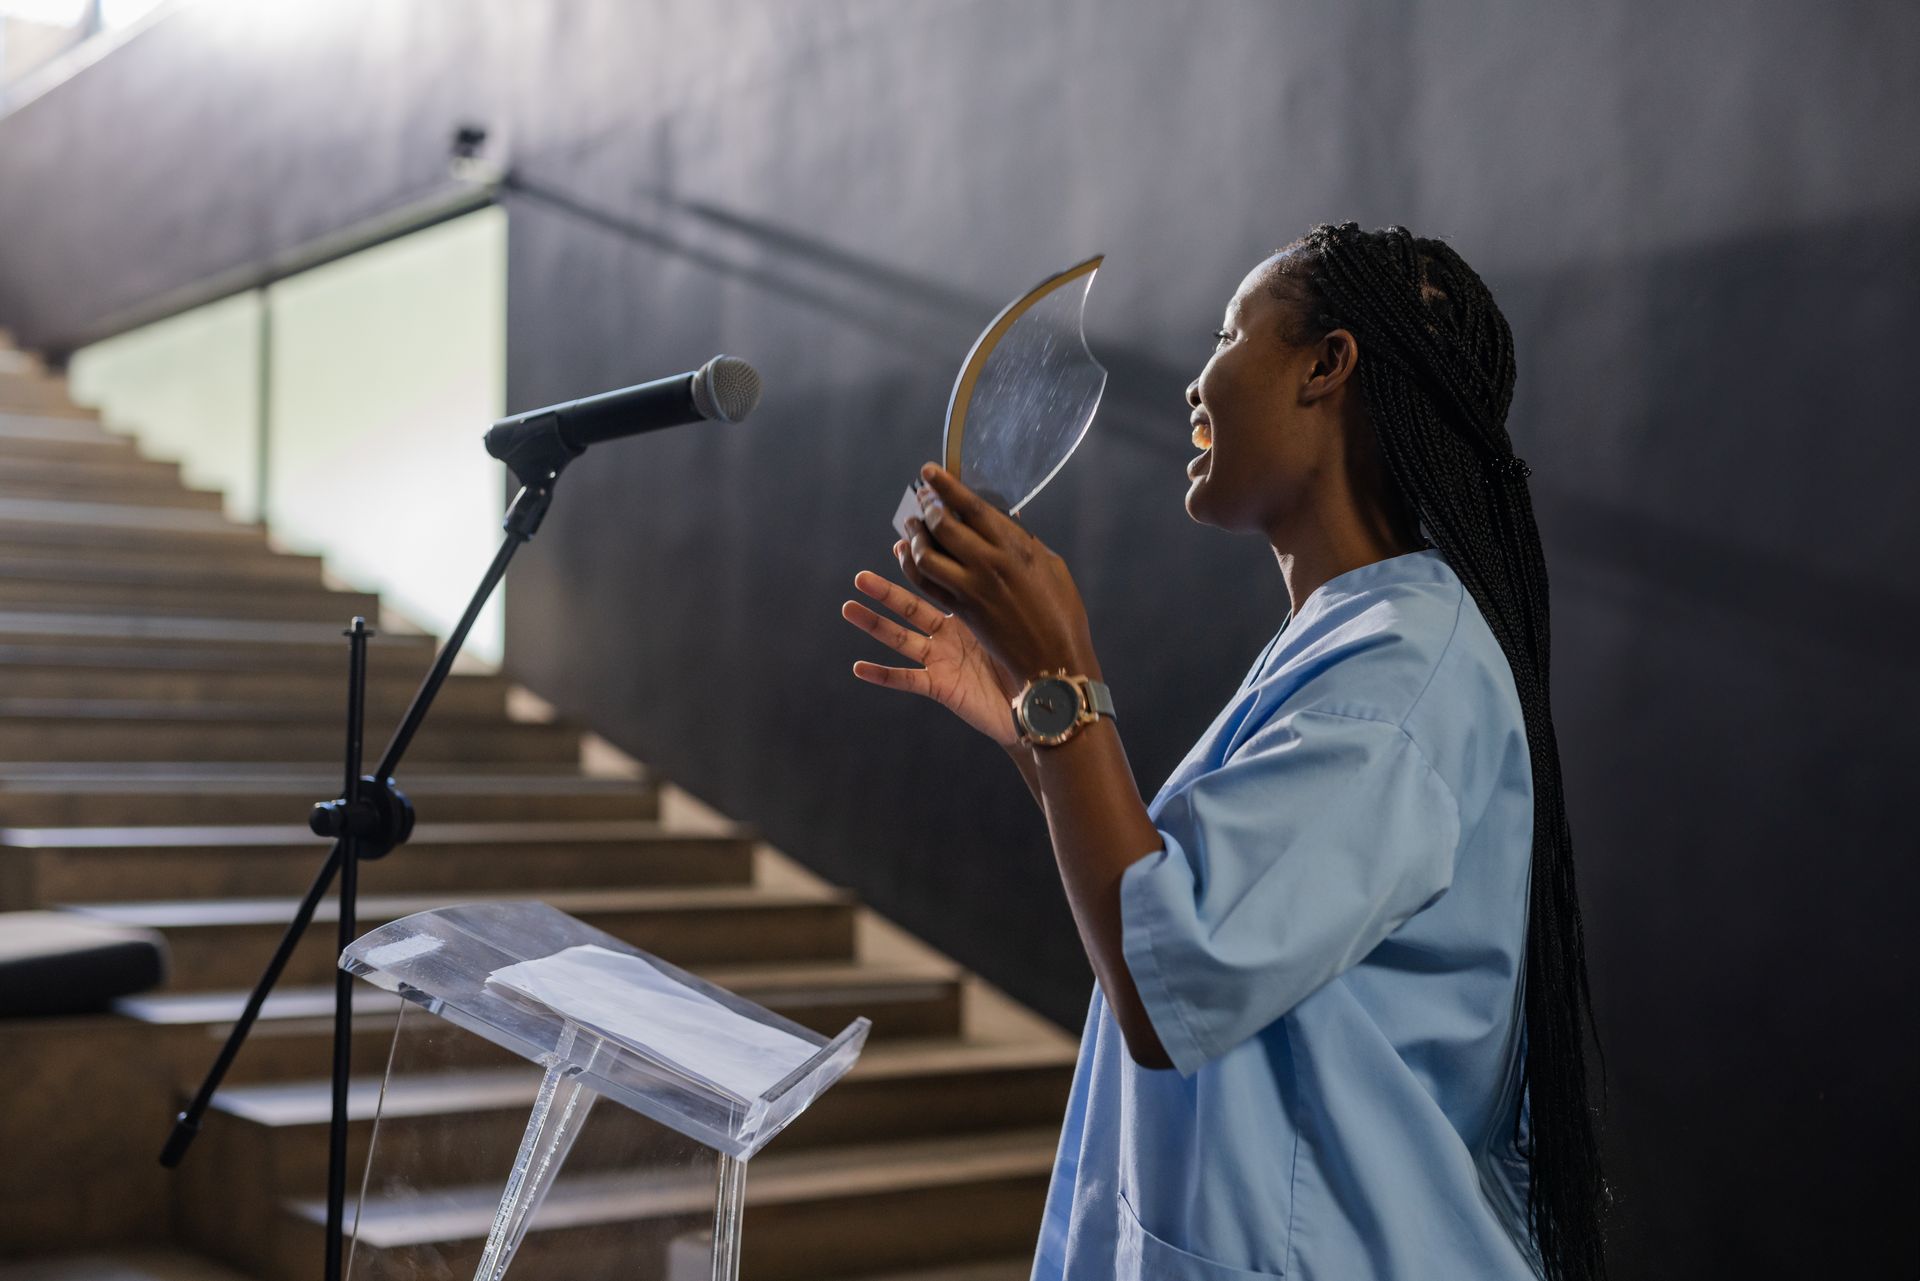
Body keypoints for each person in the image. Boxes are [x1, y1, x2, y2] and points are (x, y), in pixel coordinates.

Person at [840, 223, 1607, 1281]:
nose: (1197, 386)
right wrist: (1027, 701)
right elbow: (1175, 905)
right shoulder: (1360, 640)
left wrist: (1063, 665)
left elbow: (1171, 977)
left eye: (1229, 334)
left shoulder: (1404, 671)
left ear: (1328, 365)